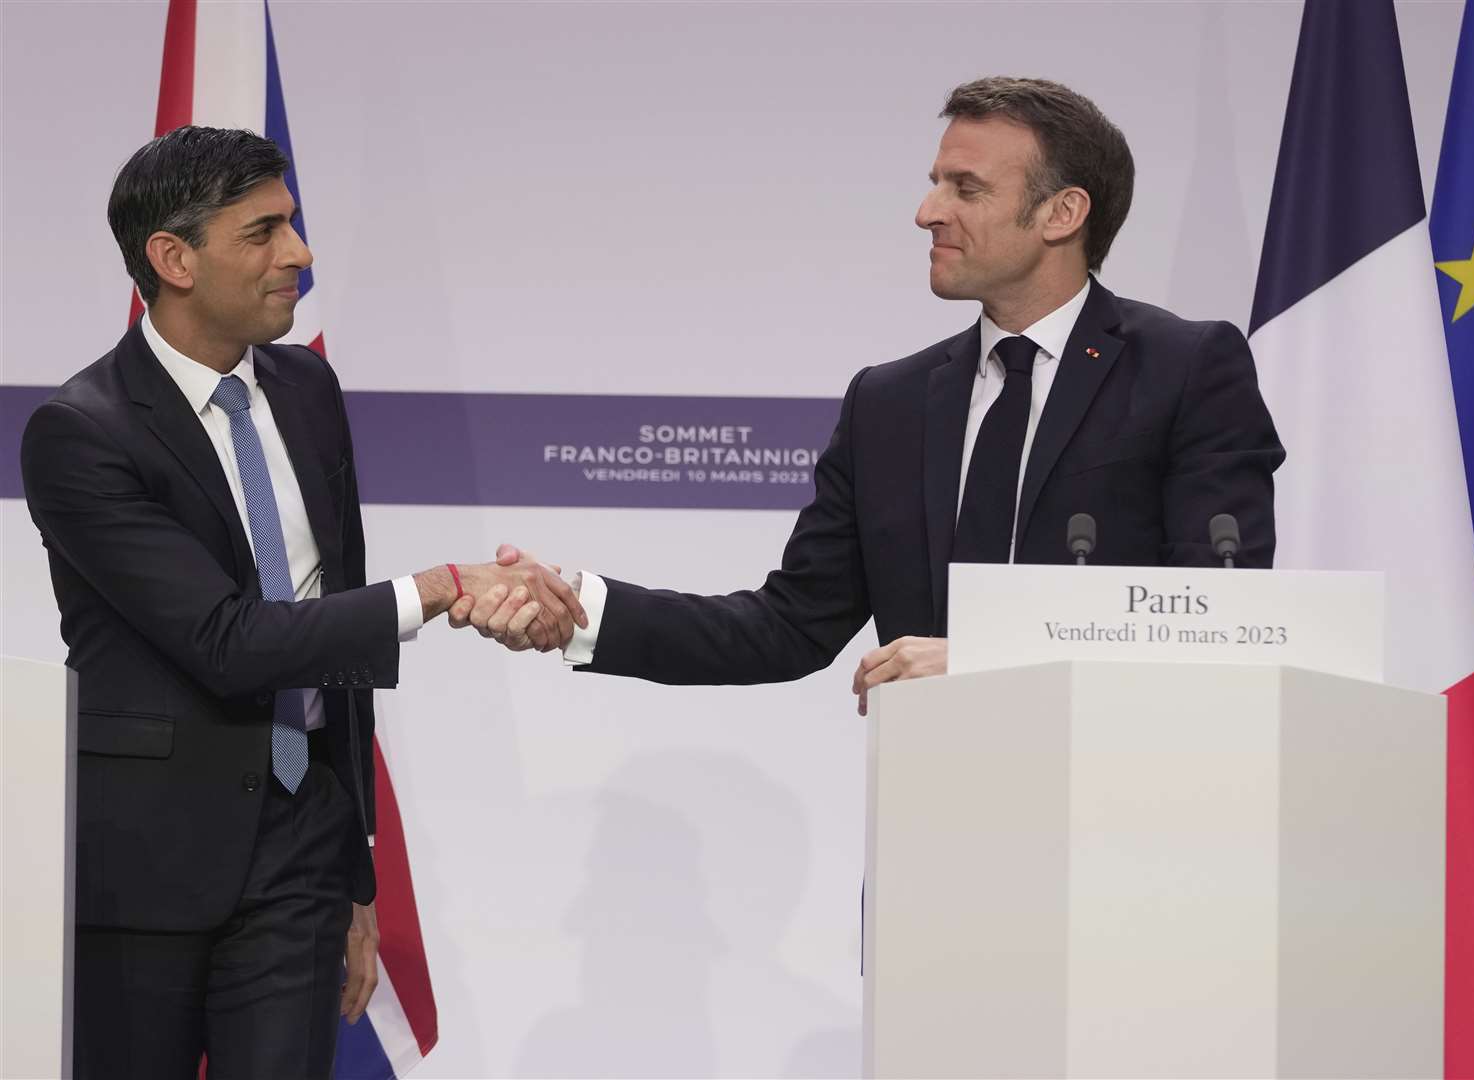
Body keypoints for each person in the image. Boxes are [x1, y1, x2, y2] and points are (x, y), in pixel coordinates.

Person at [19, 126, 584, 1079]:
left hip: (298, 850)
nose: (300, 254)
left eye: (296, 223)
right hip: (146, 870)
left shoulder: (308, 387)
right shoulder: (81, 433)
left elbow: (333, 636)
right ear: (173, 259)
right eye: (264, 231)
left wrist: (354, 869)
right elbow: (227, 641)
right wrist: (443, 588)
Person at [461, 76, 1284, 710]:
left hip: (1139, 824)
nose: (927, 212)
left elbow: (1216, 615)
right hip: (929, 827)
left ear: (1062, 212)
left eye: (966, 188)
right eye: (935, 183)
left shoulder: (1184, 368)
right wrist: (583, 608)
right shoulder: (889, 402)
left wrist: (996, 665)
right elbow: (785, 627)